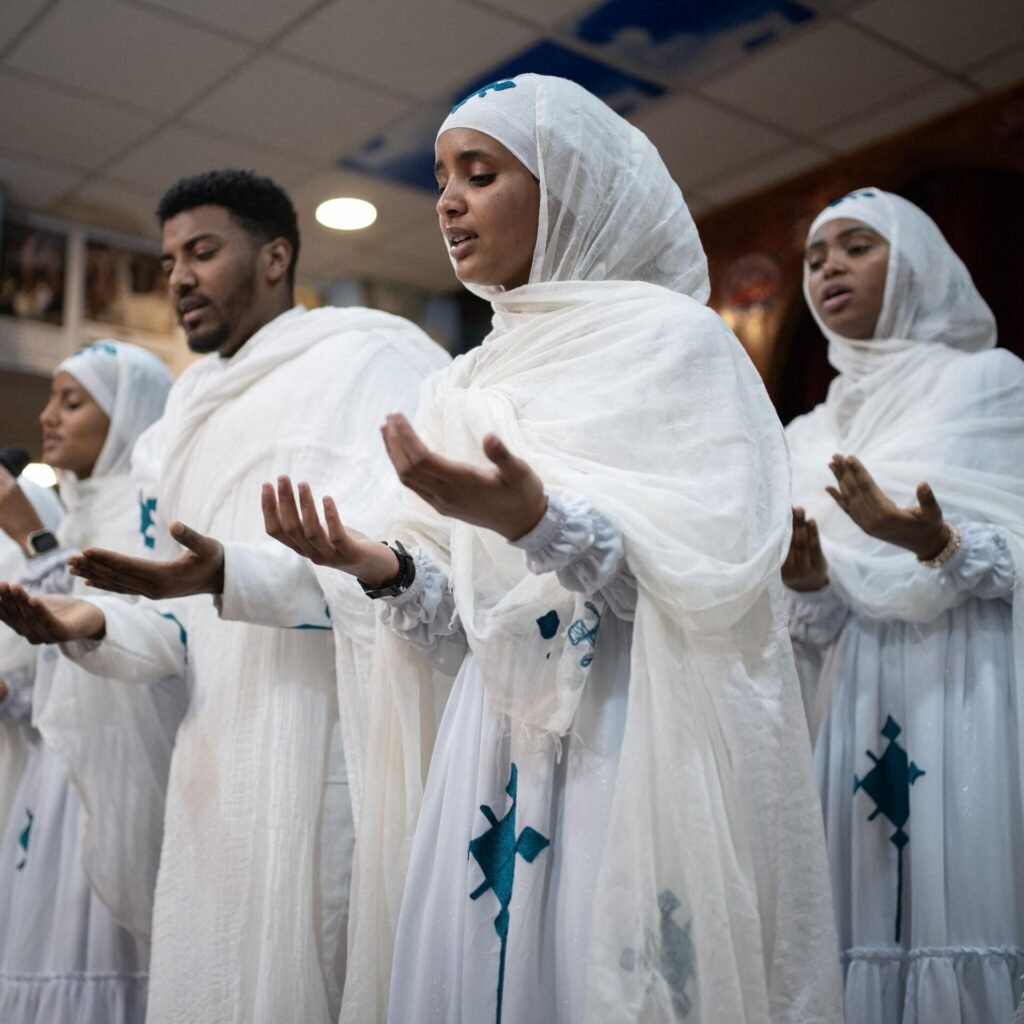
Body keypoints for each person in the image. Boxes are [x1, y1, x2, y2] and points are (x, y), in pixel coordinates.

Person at [265, 74, 843, 1024]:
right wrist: (387, 566)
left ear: (567, 186)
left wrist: (541, 525)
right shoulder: (465, 380)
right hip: (490, 750)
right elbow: (472, 626)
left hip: (631, 735)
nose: (447, 200)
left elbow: (708, 574)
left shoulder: (680, 343)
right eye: (442, 175)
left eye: (480, 172)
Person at [0, 169, 448, 1024]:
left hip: (324, 748)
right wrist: (90, 621)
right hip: (212, 764)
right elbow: (179, 627)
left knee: (319, 967)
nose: (178, 277)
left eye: (202, 251)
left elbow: (412, 563)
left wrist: (234, 576)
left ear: (275, 256)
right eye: (169, 259)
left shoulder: (370, 358)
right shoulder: (181, 421)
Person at [783, 187, 1024, 1022]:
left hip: (963, 684)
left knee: (961, 905)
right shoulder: (804, 435)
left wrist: (934, 542)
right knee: (859, 920)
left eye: (856, 247)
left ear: (916, 263)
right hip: (849, 696)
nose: (830, 269)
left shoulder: (989, 383)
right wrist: (809, 582)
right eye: (815, 258)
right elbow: (816, 623)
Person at [0, 341, 183, 1024]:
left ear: (128, 414)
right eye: (50, 398)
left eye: (72, 402)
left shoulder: (153, 507)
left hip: (124, 771)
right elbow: (48, 666)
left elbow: (136, 642)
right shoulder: (73, 511)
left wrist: (33, 541)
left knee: (98, 950)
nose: (48, 417)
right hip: (59, 771)